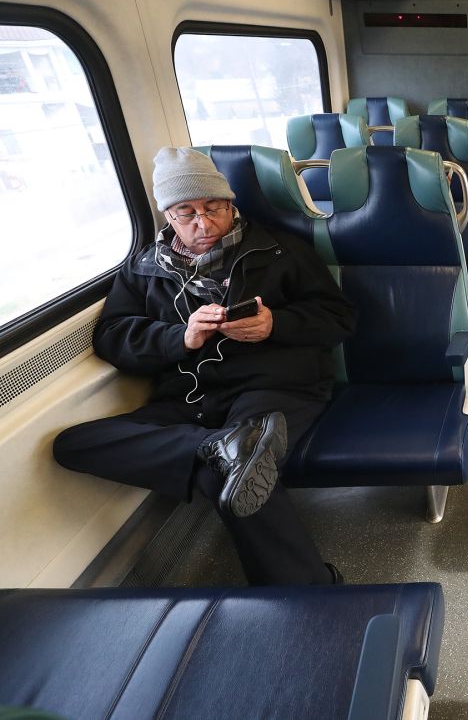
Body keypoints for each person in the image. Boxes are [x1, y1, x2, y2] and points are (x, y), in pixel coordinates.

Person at [53, 147, 356, 585]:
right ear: (168, 217)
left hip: (272, 386)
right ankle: (218, 449)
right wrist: (181, 338)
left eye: (214, 208)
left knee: (233, 472)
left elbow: (340, 318)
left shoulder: (280, 251)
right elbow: (112, 336)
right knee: (73, 444)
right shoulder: (143, 268)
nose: (204, 223)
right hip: (187, 400)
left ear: (230, 205)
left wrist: (276, 324)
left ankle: (307, 591)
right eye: (186, 213)